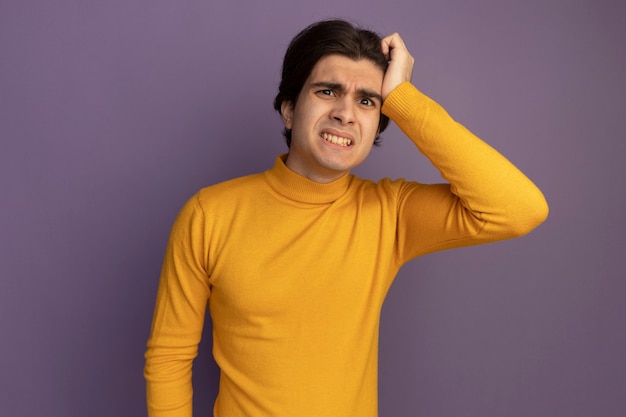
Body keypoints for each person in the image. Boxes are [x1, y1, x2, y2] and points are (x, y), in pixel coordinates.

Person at [144, 19, 548, 417]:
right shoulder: (209, 214)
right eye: (327, 91)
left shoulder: (389, 213)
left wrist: (404, 98)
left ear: (377, 126)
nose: (345, 113)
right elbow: (169, 358)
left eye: (367, 101)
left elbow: (519, 209)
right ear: (289, 110)